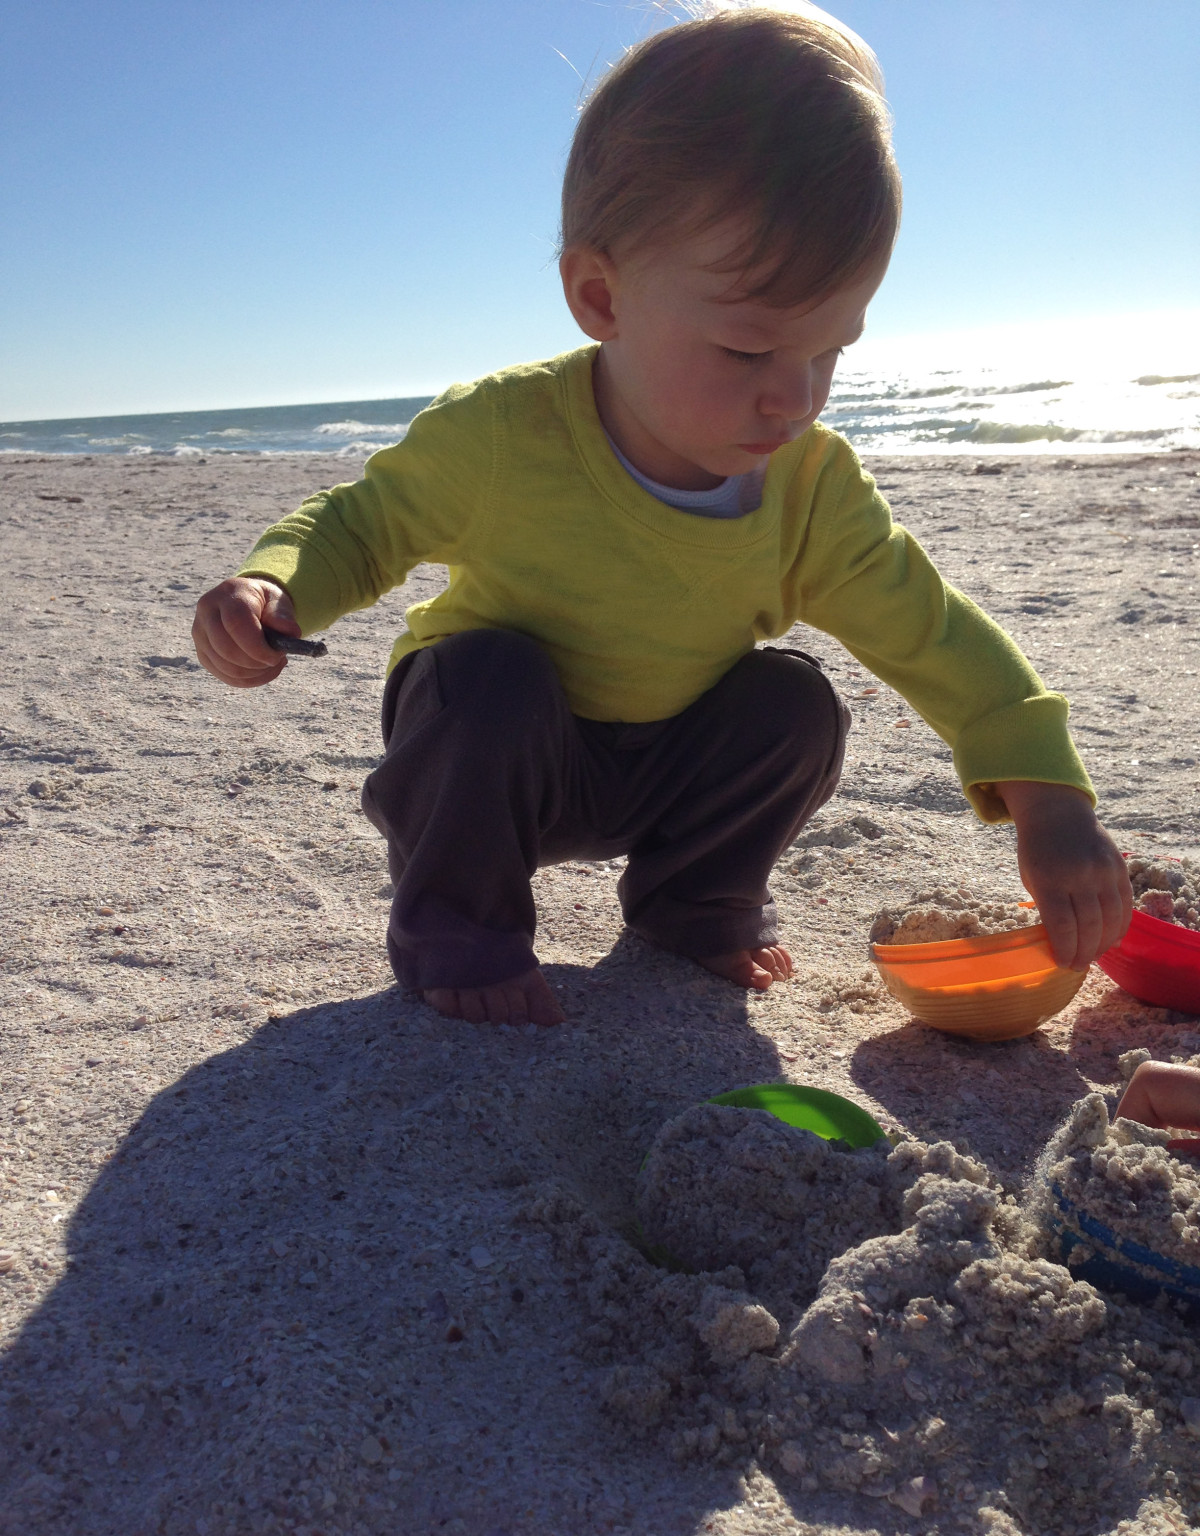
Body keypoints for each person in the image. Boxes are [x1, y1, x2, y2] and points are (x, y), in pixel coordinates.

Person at [192, 4, 1132, 1028]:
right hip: (494, 763)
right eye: (747, 349)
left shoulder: (808, 487)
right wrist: (276, 582)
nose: (796, 397)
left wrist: (1049, 800)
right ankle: (460, 926)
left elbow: (933, 634)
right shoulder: (506, 432)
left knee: (795, 705)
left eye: (832, 350)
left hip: (671, 764)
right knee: (483, 677)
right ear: (602, 297)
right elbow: (362, 523)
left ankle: (695, 899)